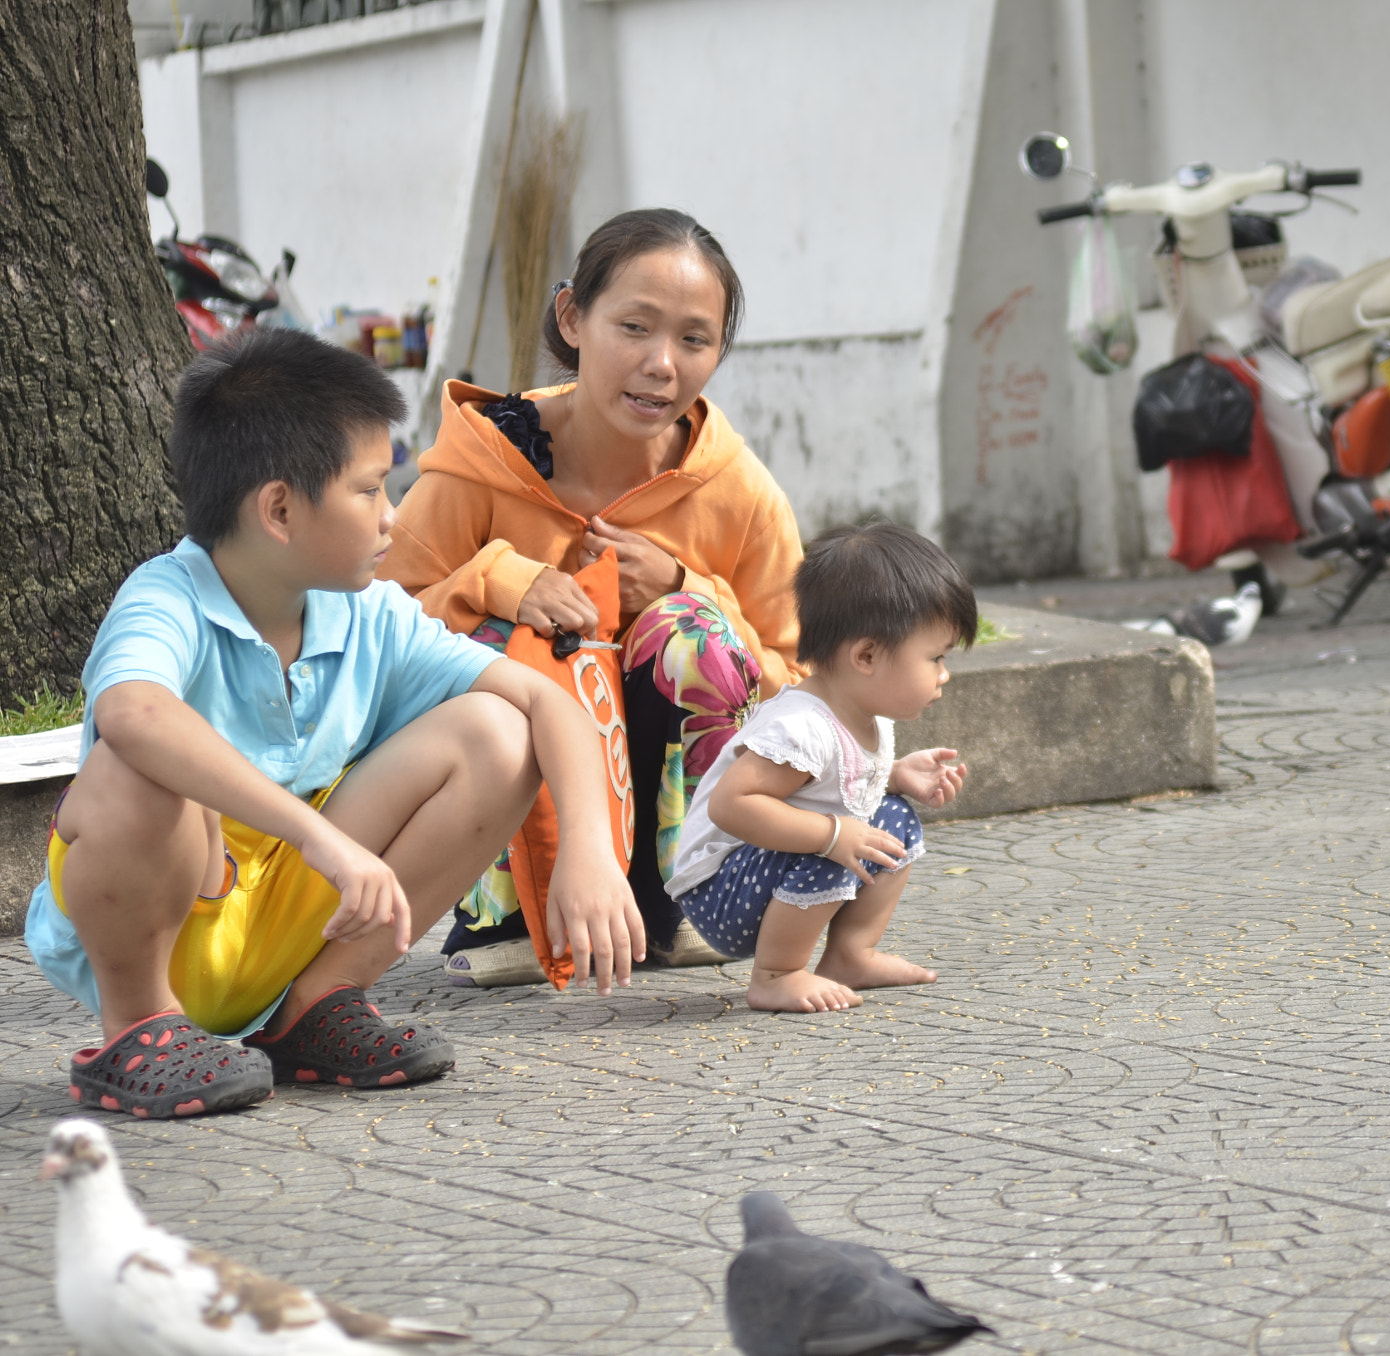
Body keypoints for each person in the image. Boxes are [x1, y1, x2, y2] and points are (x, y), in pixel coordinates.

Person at [24, 330, 642, 1119]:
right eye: (370, 490)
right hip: (166, 925)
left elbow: (547, 700)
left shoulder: (368, 612)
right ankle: (138, 1029)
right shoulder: (165, 597)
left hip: (297, 916)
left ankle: (314, 1007)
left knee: (497, 731)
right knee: (133, 767)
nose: (392, 518)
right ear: (280, 509)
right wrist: (321, 839)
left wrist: (589, 853)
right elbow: (133, 714)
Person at [381, 208, 803, 983]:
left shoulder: (736, 488)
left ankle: (691, 900)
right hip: (521, 801)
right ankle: (502, 915)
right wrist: (500, 583)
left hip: (676, 812)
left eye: (694, 340)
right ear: (573, 317)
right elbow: (372, 629)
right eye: (635, 328)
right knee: (484, 651)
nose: (661, 365)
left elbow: (803, 675)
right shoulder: (484, 461)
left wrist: (686, 587)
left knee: (693, 633)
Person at [664, 522, 976, 1012]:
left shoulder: (860, 711)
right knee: (836, 841)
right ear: (867, 655)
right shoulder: (801, 727)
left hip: (764, 869)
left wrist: (894, 776)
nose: (944, 673)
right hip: (720, 893)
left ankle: (851, 954)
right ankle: (775, 975)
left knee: (894, 821)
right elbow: (732, 804)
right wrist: (830, 836)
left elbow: (827, 785)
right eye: (934, 656)